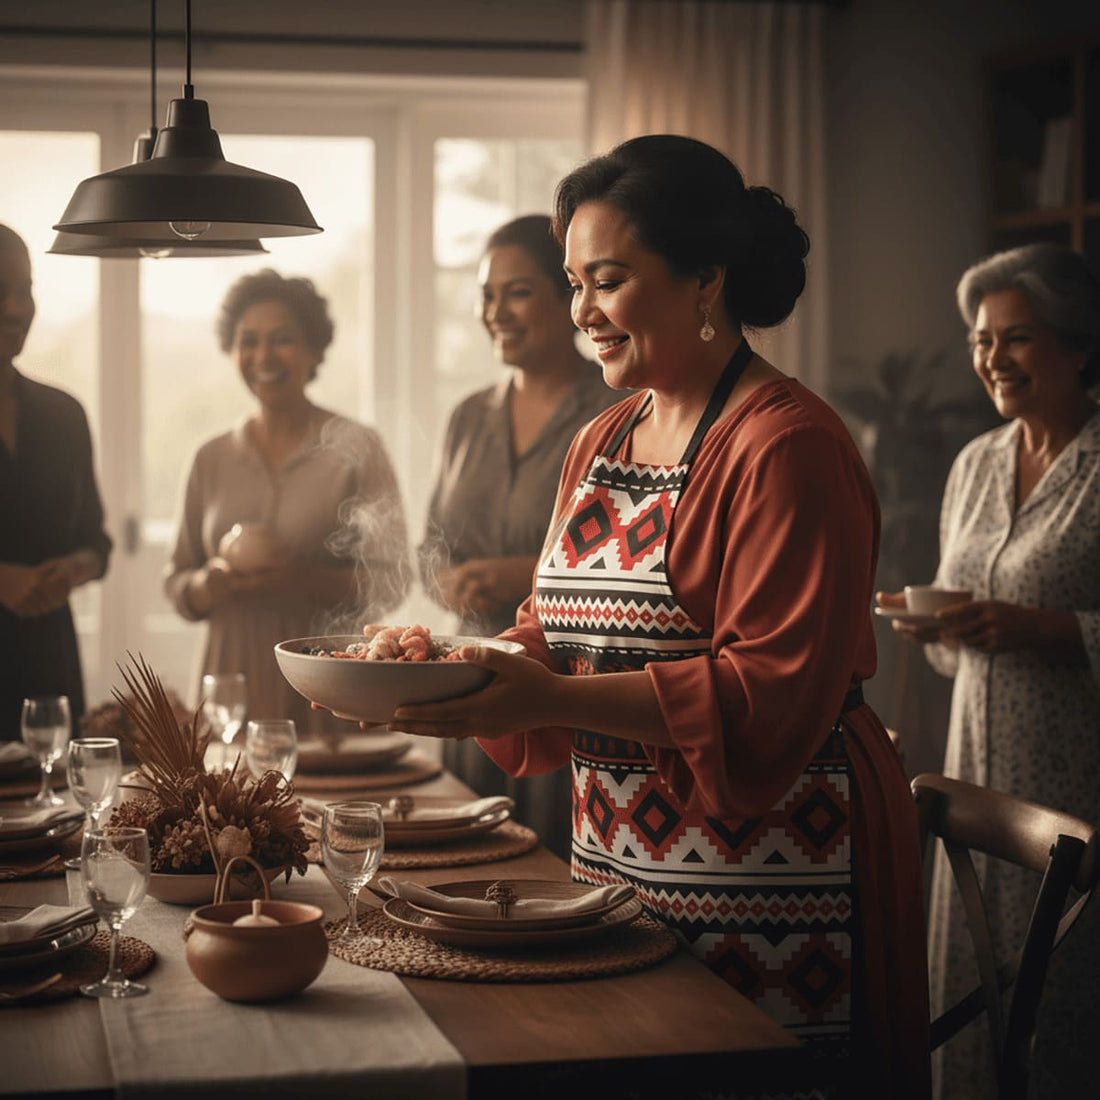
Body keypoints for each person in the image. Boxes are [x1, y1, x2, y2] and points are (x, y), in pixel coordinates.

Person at [388, 136, 931, 1097]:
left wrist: (543, 694)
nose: (581, 313)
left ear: (705, 282)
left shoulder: (786, 446)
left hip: (777, 862)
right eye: (573, 282)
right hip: (621, 861)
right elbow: (552, 628)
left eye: (608, 280)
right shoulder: (604, 435)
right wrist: (455, 673)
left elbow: (771, 693)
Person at [877, 241, 1100, 1099]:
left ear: (1077, 344)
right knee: (972, 1007)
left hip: (1078, 778)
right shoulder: (974, 464)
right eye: (980, 340)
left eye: (1017, 338)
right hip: (977, 780)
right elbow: (955, 638)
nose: (991, 360)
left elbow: (1037, 621)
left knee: (1066, 1020)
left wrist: (1049, 629)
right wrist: (933, 625)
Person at [418, 214, 623, 859]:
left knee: (552, 880)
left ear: (568, 297)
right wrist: (447, 579)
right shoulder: (466, 417)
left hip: (564, 688)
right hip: (465, 687)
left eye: (518, 291)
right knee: (464, 871)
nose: (495, 311)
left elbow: (627, 561)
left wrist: (519, 577)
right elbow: (431, 548)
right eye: (486, 294)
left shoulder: (616, 411)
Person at [164, 269, 410, 735]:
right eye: (248, 341)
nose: (263, 356)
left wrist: (300, 578)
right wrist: (208, 583)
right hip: (228, 691)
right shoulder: (209, 457)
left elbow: (392, 581)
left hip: (328, 687)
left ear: (314, 350)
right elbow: (177, 582)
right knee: (224, 805)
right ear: (231, 349)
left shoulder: (356, 447)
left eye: (282, 339)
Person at [0, 223, 112, 740]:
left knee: (66, 818)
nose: (17, 309)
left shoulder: (65, 414)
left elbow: (97, 543)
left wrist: (73, 568)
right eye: (1, 293)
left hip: (50, 672)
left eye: (25, 290)